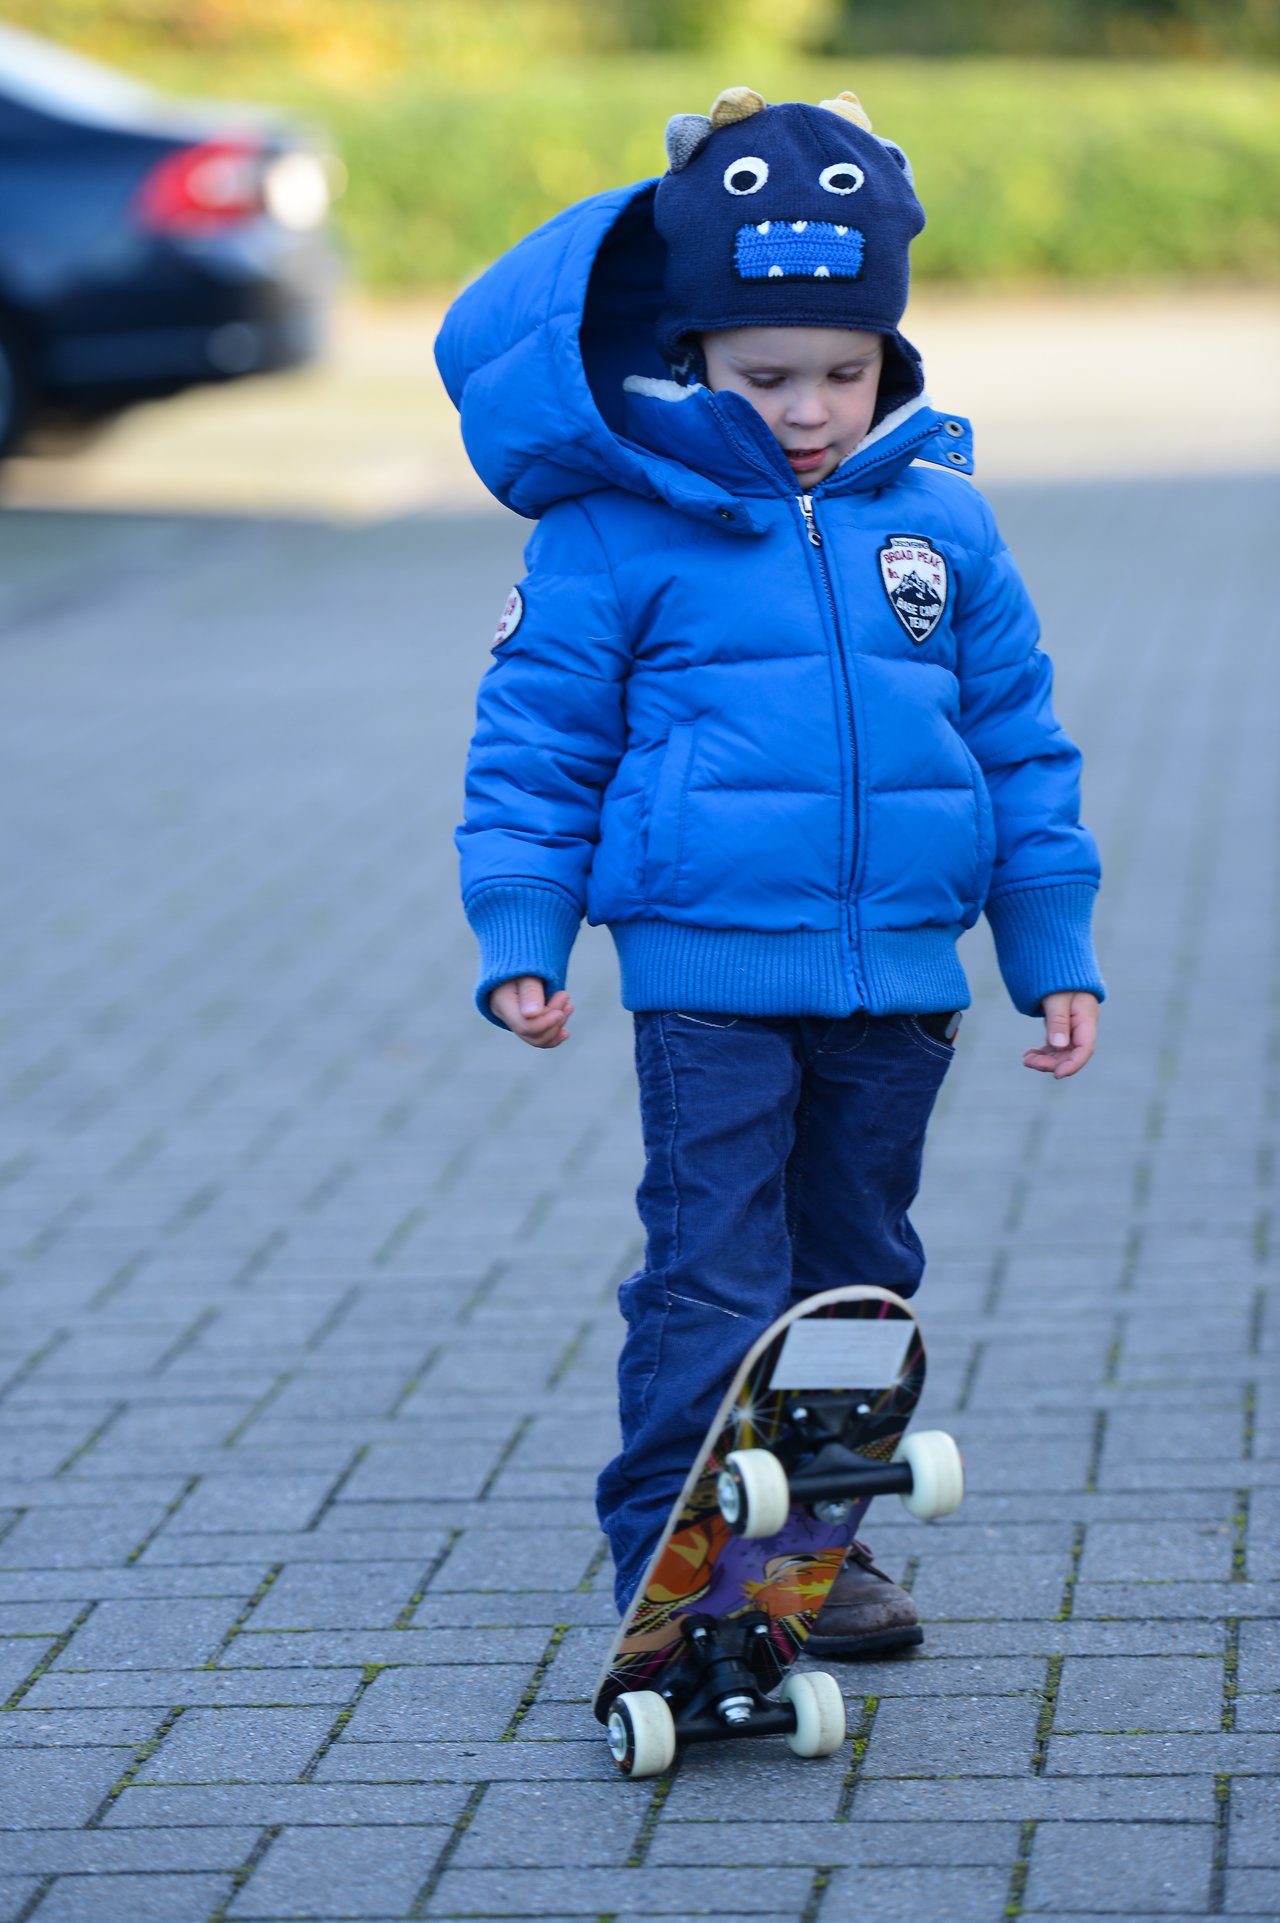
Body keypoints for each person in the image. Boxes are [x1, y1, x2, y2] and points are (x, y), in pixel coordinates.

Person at [436, 84, 1103, 1656]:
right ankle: (673, 1543)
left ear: (892, 359)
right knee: (714, 1276)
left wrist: (1051, 942)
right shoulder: (616, 533)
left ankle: (814, 1551)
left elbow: (1019, 742)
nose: (808, 407)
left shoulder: (943, 526)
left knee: (856, 1290)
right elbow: (533, 750)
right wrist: (523, 925)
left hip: (901, 984)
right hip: (710, 977)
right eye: (766, 374)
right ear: (692, 354)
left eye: (844, 373)